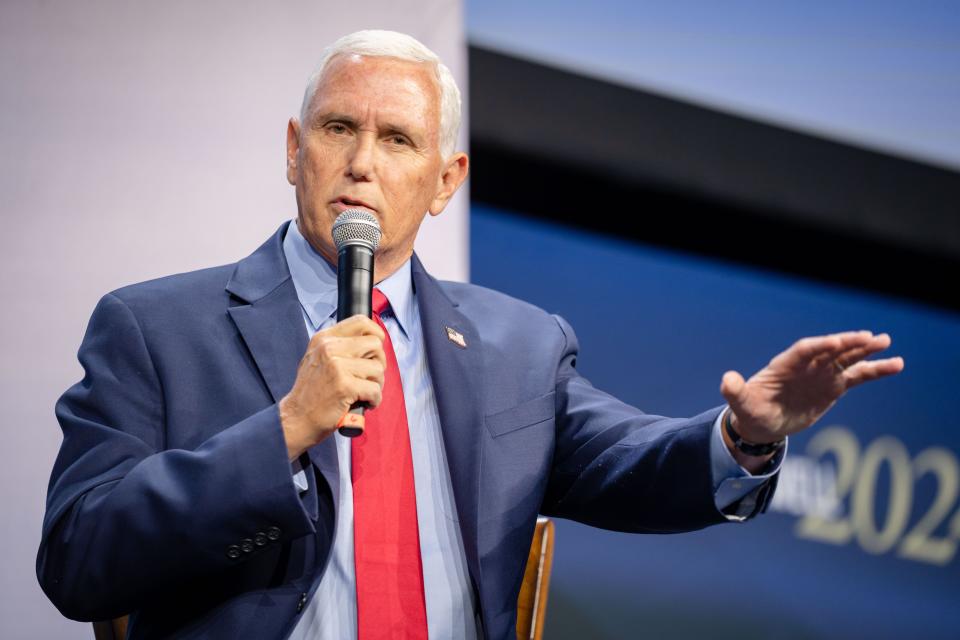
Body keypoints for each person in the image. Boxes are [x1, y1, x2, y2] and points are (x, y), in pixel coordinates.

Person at [37, 30, 904, 640]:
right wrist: (285, 430)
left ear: (445, 179)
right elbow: (78, 560)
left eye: (397, 139)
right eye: (339, 129)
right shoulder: (155, 328)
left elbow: (636, 465)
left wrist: (744, 437)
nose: (363, 162)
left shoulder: (516, 347)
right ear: (295, 149)